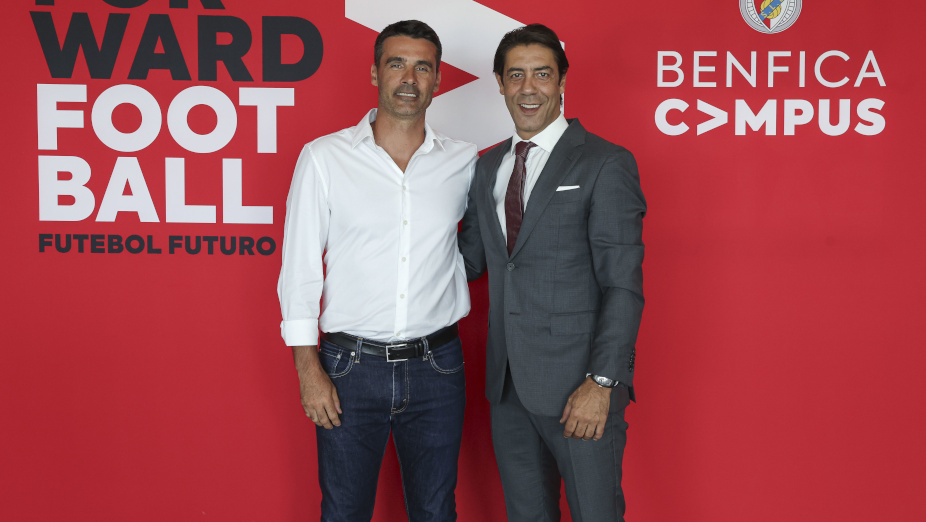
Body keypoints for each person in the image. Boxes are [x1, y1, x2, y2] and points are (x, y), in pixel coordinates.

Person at [277, 20, 476, 522]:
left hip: (438, 367)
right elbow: (300, 269)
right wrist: (308, 370)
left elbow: (482, 246)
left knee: (436, 511)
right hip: (348, 368)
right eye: (397, 64)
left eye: (422, 67)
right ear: (375, 73)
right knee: (344, 512)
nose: (409, 78)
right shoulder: (324, 158)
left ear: (437, 80)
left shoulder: (463, 162)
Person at [458, 23, 646, 522]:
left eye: (542, 74)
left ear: (562, 81)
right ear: (500, 83)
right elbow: (468, 262)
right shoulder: (487, 167)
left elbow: (622, 285)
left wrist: (602, 382)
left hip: (579, 389)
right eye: (516, 75)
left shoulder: (605, 163)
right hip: (506, 388)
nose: (529, 88)